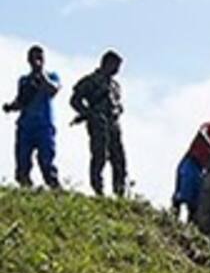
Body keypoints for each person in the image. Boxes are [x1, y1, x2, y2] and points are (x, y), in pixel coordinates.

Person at [3, 44, 61, 189]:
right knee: (22, 162)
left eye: (39, 57)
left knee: (46, 161)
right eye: (34, 57)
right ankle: (26, 188)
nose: (37, 60)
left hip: (44, 126)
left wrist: (41, 74)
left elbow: (53, 90)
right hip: (26, 126)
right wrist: (10, 106)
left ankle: (54, 189)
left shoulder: (52, 76)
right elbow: (21, 101)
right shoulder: (24, 80)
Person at [70, 49, 126, 196]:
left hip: (113, 124)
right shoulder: (91, 81)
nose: (117, 70)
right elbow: (75, 100)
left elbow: (118, 104)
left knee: (118, 158)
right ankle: (98, 188)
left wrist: (118, 110)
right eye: (115, 65)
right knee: (99, 155)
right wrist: (88, 113)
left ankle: (119, 190)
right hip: (98, 123)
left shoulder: (115, 86)